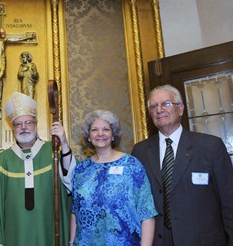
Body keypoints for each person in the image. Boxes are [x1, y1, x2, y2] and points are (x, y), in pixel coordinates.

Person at [131, 84, 233, 246]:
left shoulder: (210, 146)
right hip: (158, 240)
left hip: (202, 240)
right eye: (154, 106)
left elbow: (229, 200)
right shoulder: (140, 151)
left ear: (181, 109)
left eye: (166, 103)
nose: (159, 109)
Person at [0, 92, 77, 246]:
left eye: (28, 122)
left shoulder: (52, 152)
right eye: (18, 124)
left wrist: (65, 143)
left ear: (36, 125)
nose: (23, 127)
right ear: (12, 128)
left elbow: (71, 180)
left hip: (47, 228)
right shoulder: (4, 159)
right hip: (14, 232)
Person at [69, 110, 157, 246]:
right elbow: (76, 212)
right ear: (88, 136)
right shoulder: (81, 169)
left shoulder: (131, 165)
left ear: (113, 135)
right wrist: (71, 242)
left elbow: (147, 211)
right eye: (94, 130)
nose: (100, 134)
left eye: (105, 129)